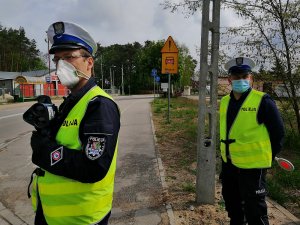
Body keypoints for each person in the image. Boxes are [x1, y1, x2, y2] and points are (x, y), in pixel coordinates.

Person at [28, 21, 120, 225]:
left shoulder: (99, 105)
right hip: (53, 215)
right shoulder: (73, 101)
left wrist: (45, 151)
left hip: (81, 218)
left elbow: (93, 167)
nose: (61, 65)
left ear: (89, 62)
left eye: (69, 57)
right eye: (57, 59)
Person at [219, 57, 284, 225]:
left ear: (251, 78)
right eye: (236, 77)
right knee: (233, 208)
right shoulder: (225, 101)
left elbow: (278, 134)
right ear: (229, 80)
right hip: (229, 166)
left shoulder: (263, 101)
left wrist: (267, 158)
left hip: (253, 169)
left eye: (244, 76)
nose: (240, 80)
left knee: (256, 213)